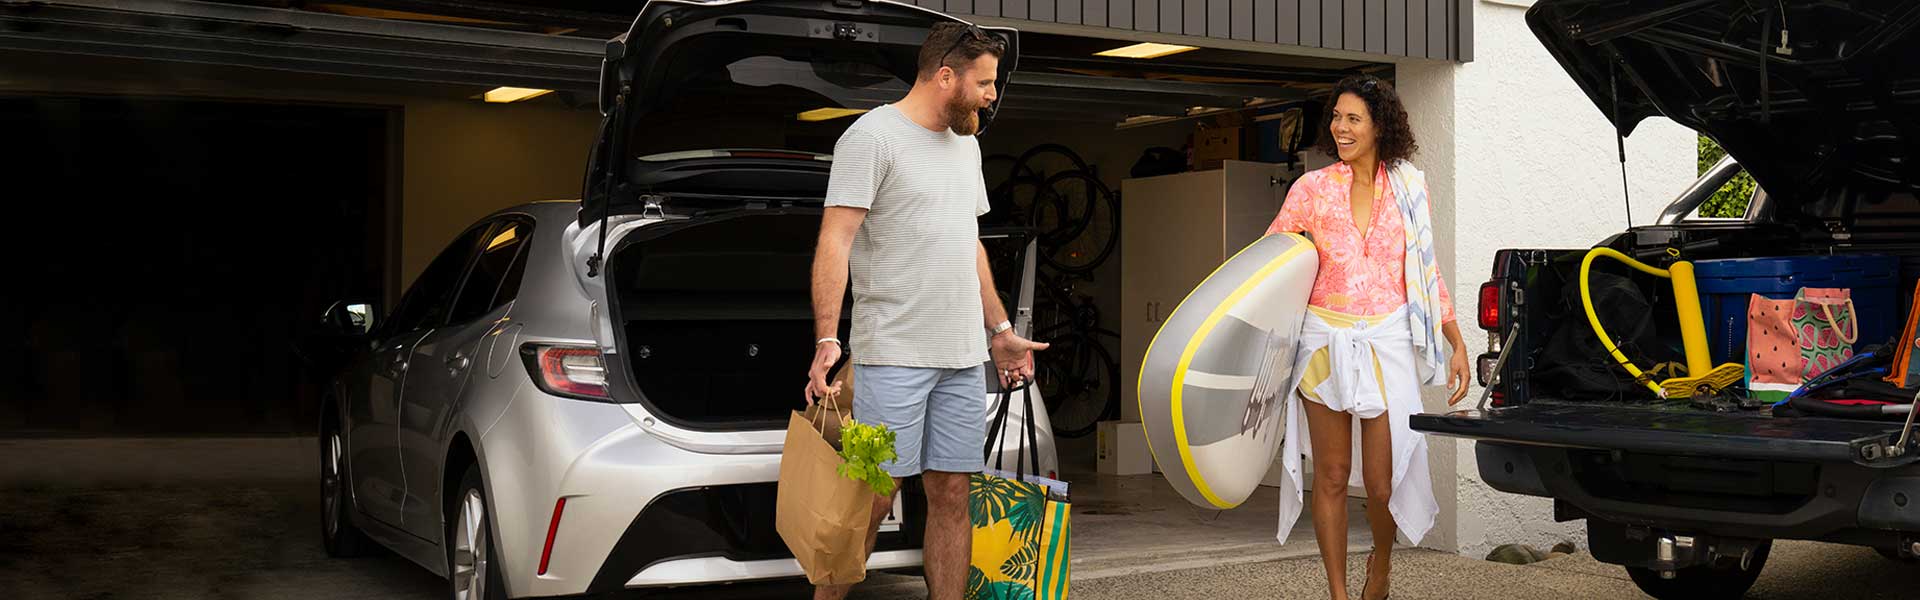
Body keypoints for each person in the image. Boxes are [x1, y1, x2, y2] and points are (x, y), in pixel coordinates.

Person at [803, 21, 1050, 600]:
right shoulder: (872, 138)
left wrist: (1000, 331)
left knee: (952, 494)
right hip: (893, 354)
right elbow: (834, 241)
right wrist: (827, 339)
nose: (993, 95)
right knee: (871, 493)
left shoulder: (966, 143)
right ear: (946, 76)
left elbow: (968, 243)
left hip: (962, 356)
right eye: (985, 82)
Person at [1267, 75, 1472, 600]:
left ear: (1380, 125)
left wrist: (1456, 341)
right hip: (1323, 345)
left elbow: (1425, 272)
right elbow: (1271, 264)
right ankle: (1338, 593)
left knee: (1382, 484)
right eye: (1336, 117)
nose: (1340, 127)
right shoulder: (1310, 190)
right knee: (1332, 476)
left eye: (1353, 118)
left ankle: (1379, 569)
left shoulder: (1408, 187)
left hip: (1387, 341)